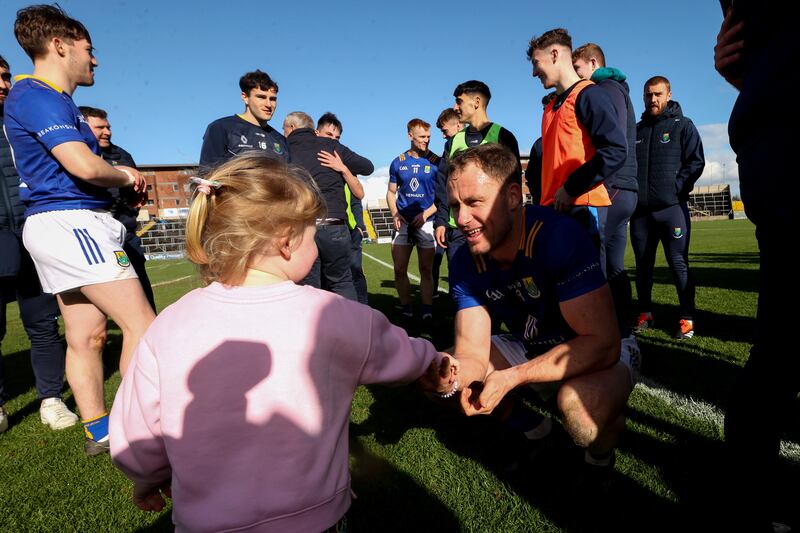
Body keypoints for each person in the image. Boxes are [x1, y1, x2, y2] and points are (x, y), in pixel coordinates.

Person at [109, 154, 455, 531]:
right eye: (314, 231)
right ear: (287, 241)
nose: (317, 243)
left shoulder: (169, 324)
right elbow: (397, 351)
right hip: (315, 517)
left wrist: (147, 477)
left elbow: (138, 432)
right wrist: (431, 360)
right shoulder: (333, 315)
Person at [4, 5, 155, 455]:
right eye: (90, 49)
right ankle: (140, 426)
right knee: (144, 327)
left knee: (86, 335)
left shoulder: (53, 99)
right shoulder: (38, 95)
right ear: (60, 45)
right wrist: (126, 175)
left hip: (63, 223)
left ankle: (98, 431)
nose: (96, 60)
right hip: (71, 223)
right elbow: (82, 165)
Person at [442, 143, 633, 489]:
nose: (460, 219)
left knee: (580, 411)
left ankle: (599, 457)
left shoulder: (556, 236)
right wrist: (449, 376)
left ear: (513, 197)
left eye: (473, 203)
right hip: (531, 341)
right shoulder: (464, 259)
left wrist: (514, 377)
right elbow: (471, 350)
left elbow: (603, 344)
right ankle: (535, 429)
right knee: (456, 375)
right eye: (455, 205)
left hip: (602, 346)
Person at [715, 5, 796, 531]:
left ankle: (754, 500)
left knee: (781, 343)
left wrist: (760, 72)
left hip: (773, 127)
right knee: (781, 344)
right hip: (779, 127)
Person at [0, 53, 77, 433]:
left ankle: (51, 398)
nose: (2, 84)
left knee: (43, 323)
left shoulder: (25, 118)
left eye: (4, 76)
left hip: (33, 229)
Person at [526, 29, 627, 260]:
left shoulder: (589, 94)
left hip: (581, 207)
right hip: (553, 211)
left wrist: (571, 187)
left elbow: (615, 151)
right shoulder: (550, 108)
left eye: (536, 63)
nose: (533, 72)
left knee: (589, 290)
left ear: (554, 54)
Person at [572, 43, 638, 343]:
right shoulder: (619, 88)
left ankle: (604, 331)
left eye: (579, 69)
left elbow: (613, 145)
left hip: (612, 186)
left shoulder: (604, 89)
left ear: (593, 62)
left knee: (598, 262)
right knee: (613, 264)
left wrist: (602, 181)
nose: (577, 77)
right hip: (623, 187)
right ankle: (623, 327)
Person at [631, 76, 704, 339]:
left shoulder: (682, 126)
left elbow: (696, 162)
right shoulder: (636, 131)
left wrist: (676, 189)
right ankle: (645, 313)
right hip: (641, 214)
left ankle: (687, 319)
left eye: (658, 94)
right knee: (643, 267)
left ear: (669, 94)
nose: (653, 99)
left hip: (672, 210)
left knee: (678, 264)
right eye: (648, 95)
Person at [283, 111, 373, 301]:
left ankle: (315, 328)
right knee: (342, 282)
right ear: (314, 131)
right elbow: (367, 167)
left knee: (310, 286)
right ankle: (352, 327)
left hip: (304, 226)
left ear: (291, 128)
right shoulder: (332, 148)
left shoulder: (284, 149)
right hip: (335, 225)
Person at [434, 81, 521, 263]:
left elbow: (515, 183)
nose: (455, 107)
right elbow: (443, 184)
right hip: (458, 227)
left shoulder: (503, 136)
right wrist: (441, 221)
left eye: (459, 101)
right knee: (461, 284)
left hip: (495, 224)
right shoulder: (452, 142)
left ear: (477, 102)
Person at [79, 106, 156, 312]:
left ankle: (150, 329)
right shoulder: (75, 154)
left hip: (125, 232)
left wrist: (133, 206)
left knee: (140, 284)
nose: (107, 132)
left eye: (108, 127)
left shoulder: (122, 154)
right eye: (100, 127)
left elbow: (136, 190)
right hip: (92, 233)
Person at [387, 119, 442, 322]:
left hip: (426, 222)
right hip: (403, 223)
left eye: (428, 137)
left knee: (426, 269)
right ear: (410, 136)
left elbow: (441, 197)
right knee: (400, 268)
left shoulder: (437, 162)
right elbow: (391, 193)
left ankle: (427, 309)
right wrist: (395, 213)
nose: (426, 141)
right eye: (422, 137)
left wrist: (425, 214)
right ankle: (406, 308)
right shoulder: (398, 162)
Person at [315, 112, 369, 304]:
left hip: (347, 227)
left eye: (337, 138)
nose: (333, 141)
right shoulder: (308, 158)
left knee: (354, 273)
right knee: (321, 279)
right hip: (318, 226)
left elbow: (359, 193)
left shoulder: (342, 159)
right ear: (316, 133)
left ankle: (362, 311)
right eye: (329, 135)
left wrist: (343, 169)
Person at [199, 70, 288, 169]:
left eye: (272, 99)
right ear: (245, 97)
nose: (268, 104)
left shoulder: (280, 140)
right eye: (261, 97)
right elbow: (207, 175)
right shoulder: (221, 128)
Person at [431, 108, 463, 295]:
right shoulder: (448, 148)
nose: (443, 136)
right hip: (454, 224)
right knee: (457, 276)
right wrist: (441, 221)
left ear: (458, 125)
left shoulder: (484, 141)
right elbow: (442, 189)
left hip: (477, 224)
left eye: (445, 131)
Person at [525, 92, 556, 205]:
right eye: (544, 110)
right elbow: (531, 176)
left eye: (549, 109)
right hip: (546, 204)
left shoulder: (576, 137)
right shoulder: (539, 144)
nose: (546, 113)